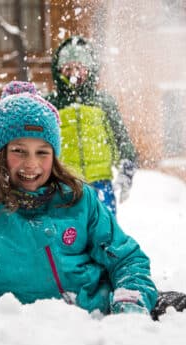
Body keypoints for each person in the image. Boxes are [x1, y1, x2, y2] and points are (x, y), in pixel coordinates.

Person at [0, 81, 157, 316]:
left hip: (94, 326)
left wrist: (129, 303)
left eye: (42, 152)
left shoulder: (79, 200)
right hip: (22, 337)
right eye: (18, 151)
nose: (32, 164)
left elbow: (127, 258)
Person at [45, 36, 137, 215]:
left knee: (105, 236)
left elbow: (121, 139)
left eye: (79, 67)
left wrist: (127, 170)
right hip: (65, 186)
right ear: (59, 71)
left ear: (90, 69)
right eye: (68, 68)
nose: (74, 73)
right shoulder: (51, 104)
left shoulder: (103, 102)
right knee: (68, 238)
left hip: (100, 185)